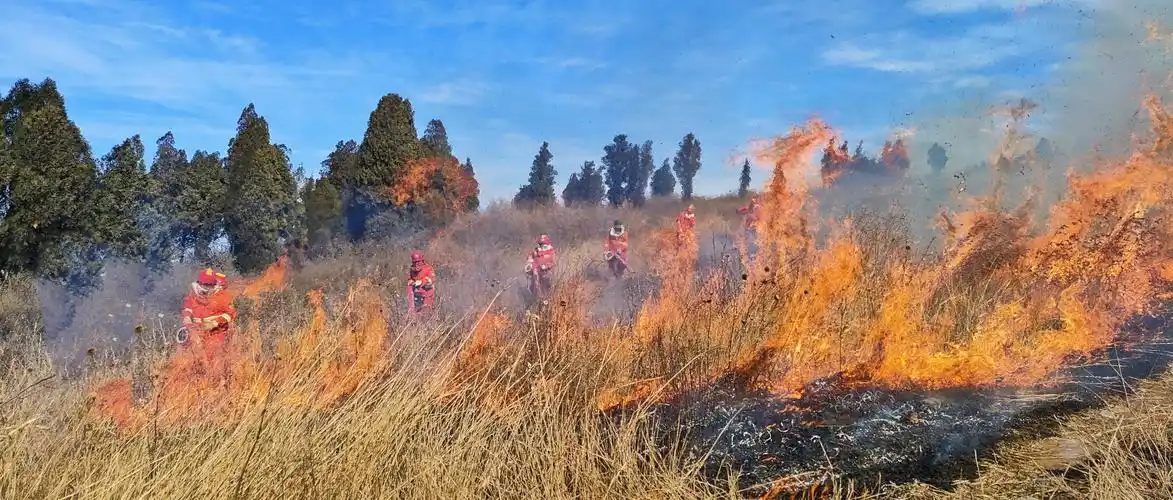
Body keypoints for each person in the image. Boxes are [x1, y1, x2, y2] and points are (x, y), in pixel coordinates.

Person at [180, 268, 237, 380]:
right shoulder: (193, 295)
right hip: (196, 330)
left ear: (215, 284)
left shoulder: (223, 296)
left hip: (215, 332)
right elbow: (188, 307)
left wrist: (215, 322)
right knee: (192, 358)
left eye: (210, 285)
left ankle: (216, 383)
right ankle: (196, 381)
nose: (207, 287)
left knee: (214, 357)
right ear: (199, 283)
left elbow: (230, 313)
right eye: (205, 284)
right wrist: (187, 316)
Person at [525, 234, 557, 302]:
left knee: (546, 282)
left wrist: (546, 266)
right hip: (536, 270)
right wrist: (529, 262)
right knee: (535, 280)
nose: (542, 246)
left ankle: (546, 297)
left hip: (547, 272)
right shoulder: (536, 250)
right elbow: (530, 257)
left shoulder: (551, 252)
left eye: (544, 244)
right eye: (541, 244)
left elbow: (553, 263)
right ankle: (536, 297)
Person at [407, 250, 436, 315]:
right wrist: (411, 282)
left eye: (418, 261)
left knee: (426, 312)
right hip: (416, 295)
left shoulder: (428, 268)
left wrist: (421, 281)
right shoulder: (412, 269)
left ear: (422, 260)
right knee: (416, 313)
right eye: (414, 262)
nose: (416, 264)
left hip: (427, 294)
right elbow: (409, 280)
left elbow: (432, 279)